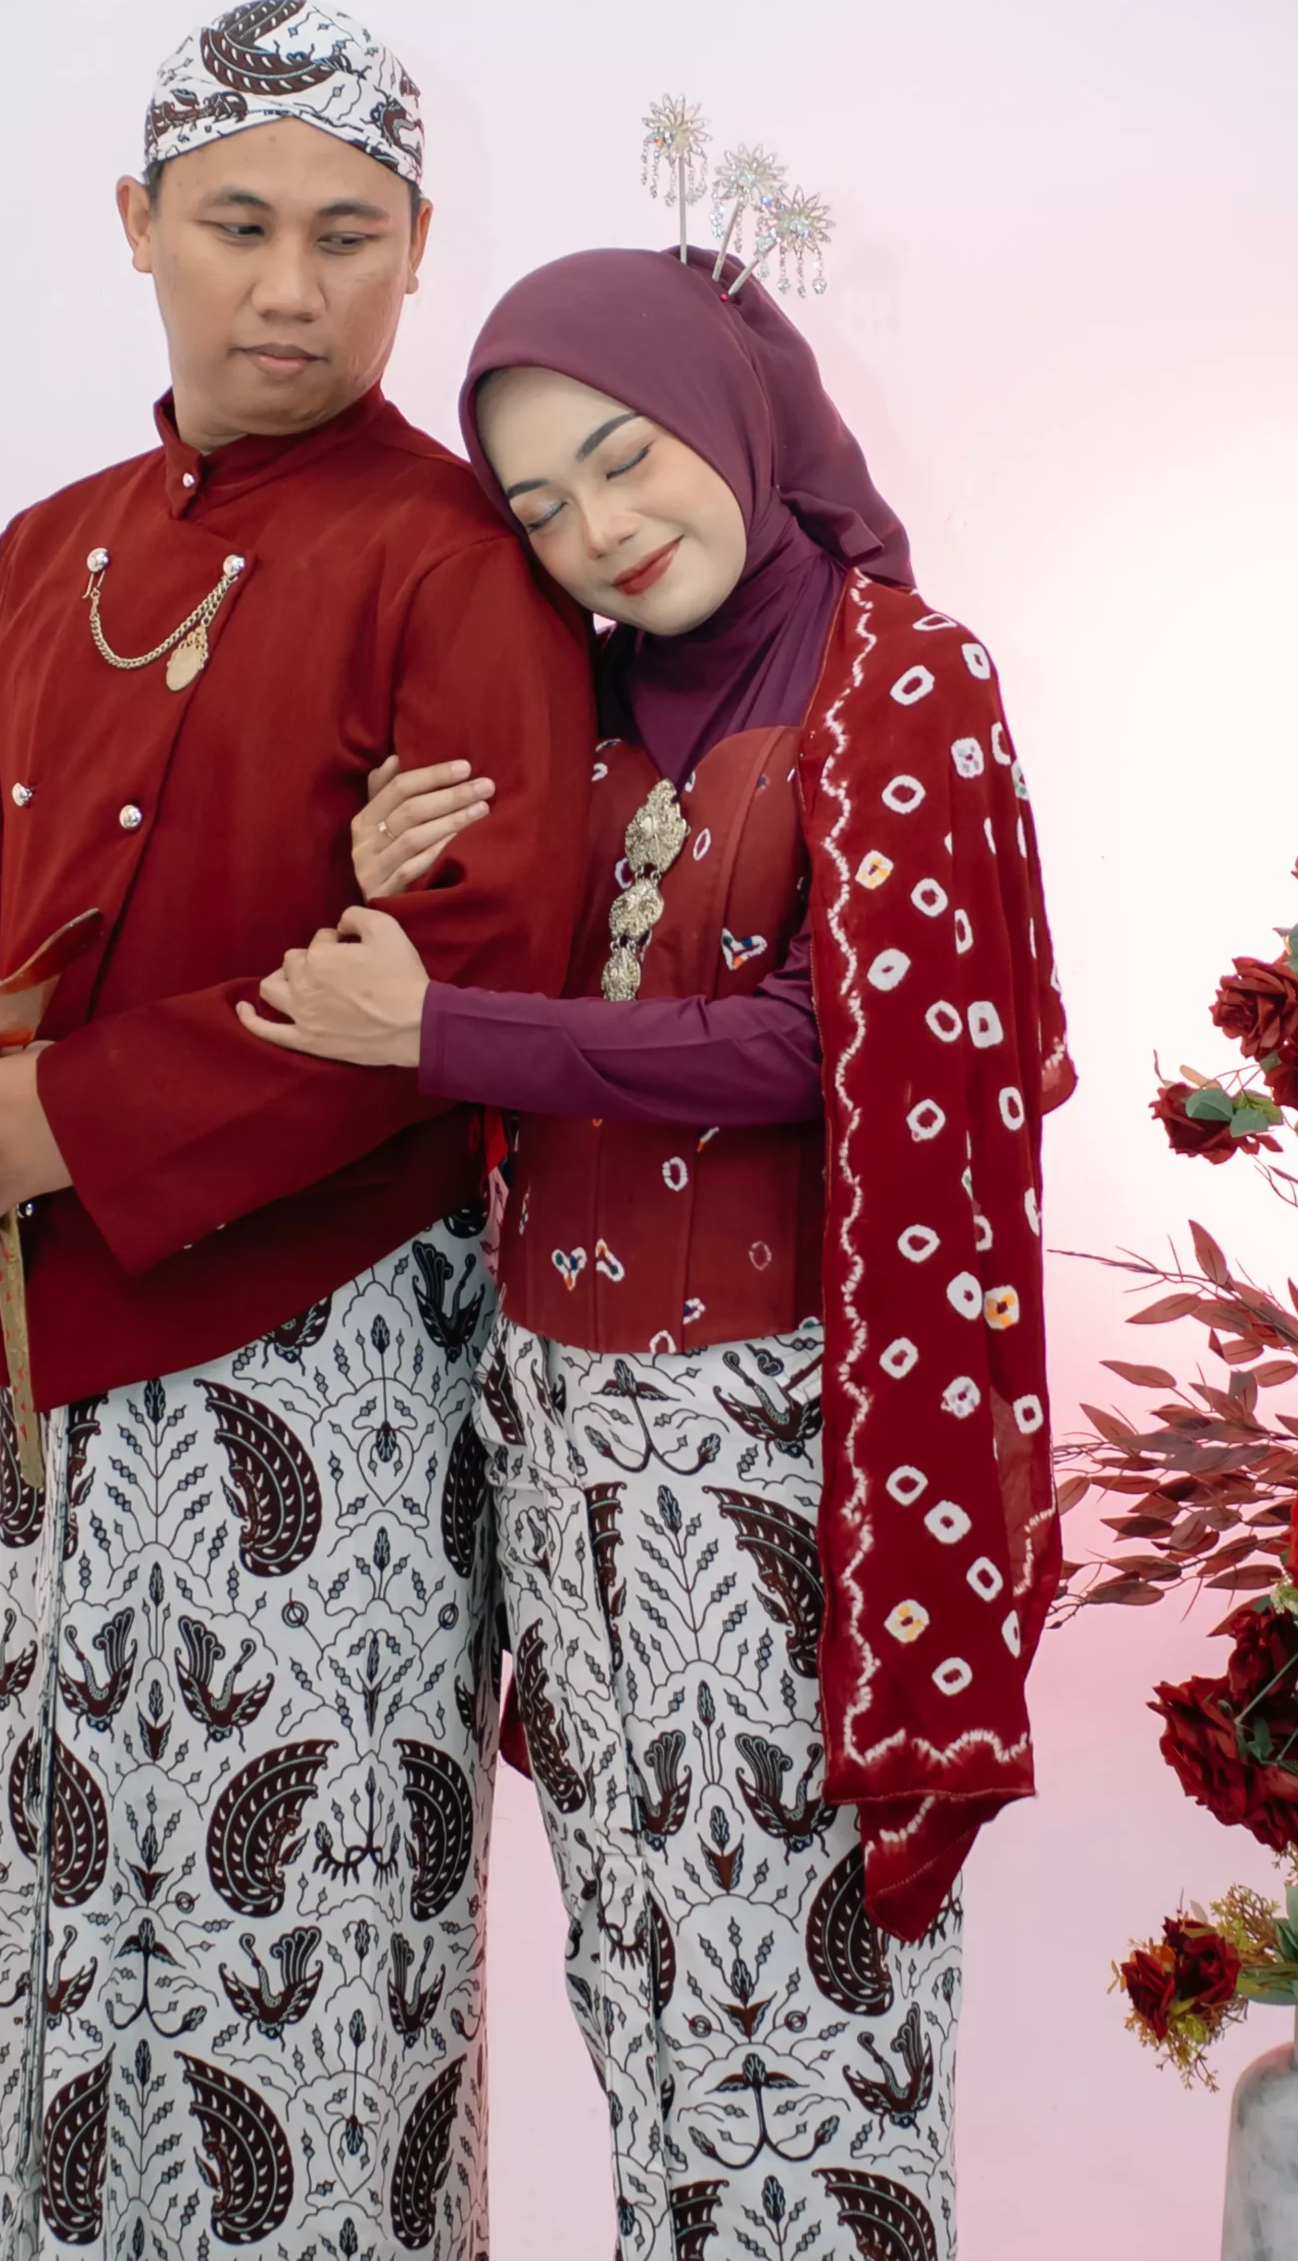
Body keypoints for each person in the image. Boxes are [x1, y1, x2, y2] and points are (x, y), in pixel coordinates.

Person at [238, 243, 1074, 2261]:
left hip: (783, 1467)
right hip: (559, 1462)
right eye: (540, 506)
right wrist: (381, 873)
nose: (601, 529)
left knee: (801, 2022)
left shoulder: (901, 675)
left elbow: (831, 1041)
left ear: (731, 410)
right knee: (643, 2000)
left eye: (625, 458)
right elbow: (458, 965)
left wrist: (445, 1028)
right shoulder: (576, 697)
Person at [0, 0, 594, 2261]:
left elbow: (474, 957)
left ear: (418, 250)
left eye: (348, 237)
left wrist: (70, 1117)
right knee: (65, 1950)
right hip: (58, 1379)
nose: (292, 288)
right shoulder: (47, 546)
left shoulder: (454, 553)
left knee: (309, 1977)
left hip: (338, 1368)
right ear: (136, 223)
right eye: (237, 224)